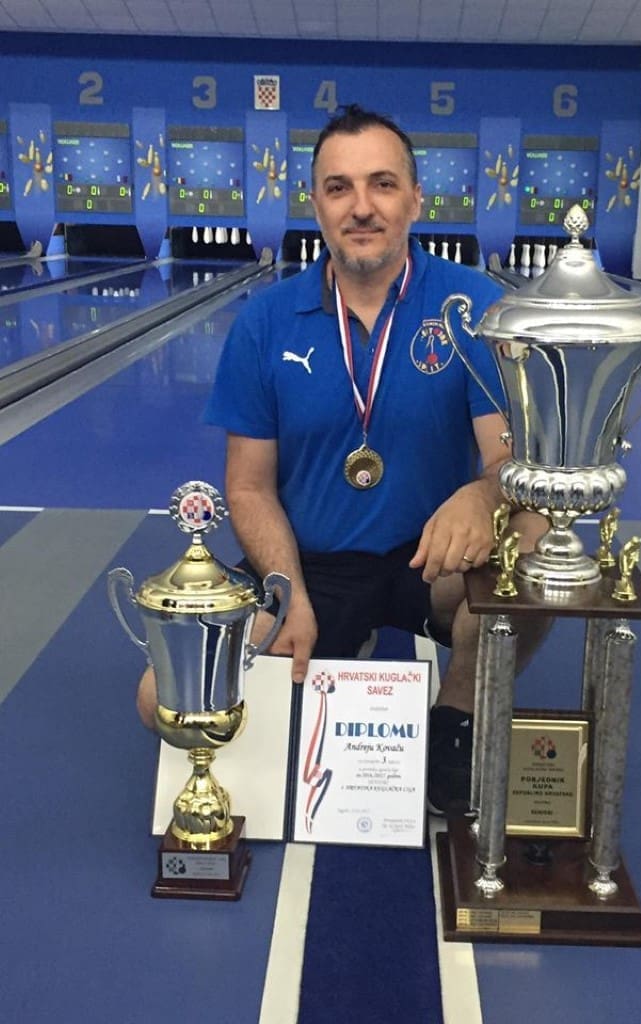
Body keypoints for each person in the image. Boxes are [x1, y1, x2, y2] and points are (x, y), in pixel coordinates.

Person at [137, 105, 548, 814]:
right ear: (316, 203)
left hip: (433, 558)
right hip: (311, 562)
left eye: (382, 184)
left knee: (538, 550)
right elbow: (249, 487)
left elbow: (507, 463)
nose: (362, 206)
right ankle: (328, 651)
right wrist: (286, 591)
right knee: (161, 699)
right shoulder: (265, 322)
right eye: (339, 187)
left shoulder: (472, 307)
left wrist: (482, 497)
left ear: (415, 199)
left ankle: (456, 716)